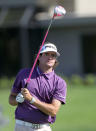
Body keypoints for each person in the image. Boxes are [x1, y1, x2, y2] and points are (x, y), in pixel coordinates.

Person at [9, 42, 67, 131]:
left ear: (55, 59)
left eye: (53, 55)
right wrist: (17, 99)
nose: (50, 57)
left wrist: (31, 99)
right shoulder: (23, 74)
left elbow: (53, 111)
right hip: (21, 126)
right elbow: (11, 100)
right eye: (46, 54)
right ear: (39, 57)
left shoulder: (60, 82)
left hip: (42, 128)